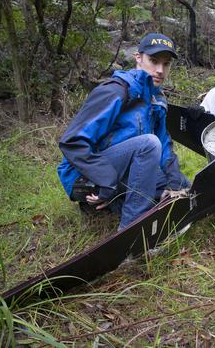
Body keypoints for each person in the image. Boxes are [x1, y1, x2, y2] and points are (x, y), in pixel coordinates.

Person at [57, 32, 190, 231]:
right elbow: (73, 143)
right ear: (138, 58)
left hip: (125, 168)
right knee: (148, 144)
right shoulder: (116, 91)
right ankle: (131, 229)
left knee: (181, 185)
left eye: (166, 64)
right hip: (85, 175)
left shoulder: (157, 100)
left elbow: (164, 146)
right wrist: (107, 181)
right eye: (153, 61)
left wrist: (175, 184)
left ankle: (123, 205)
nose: (160, 70)